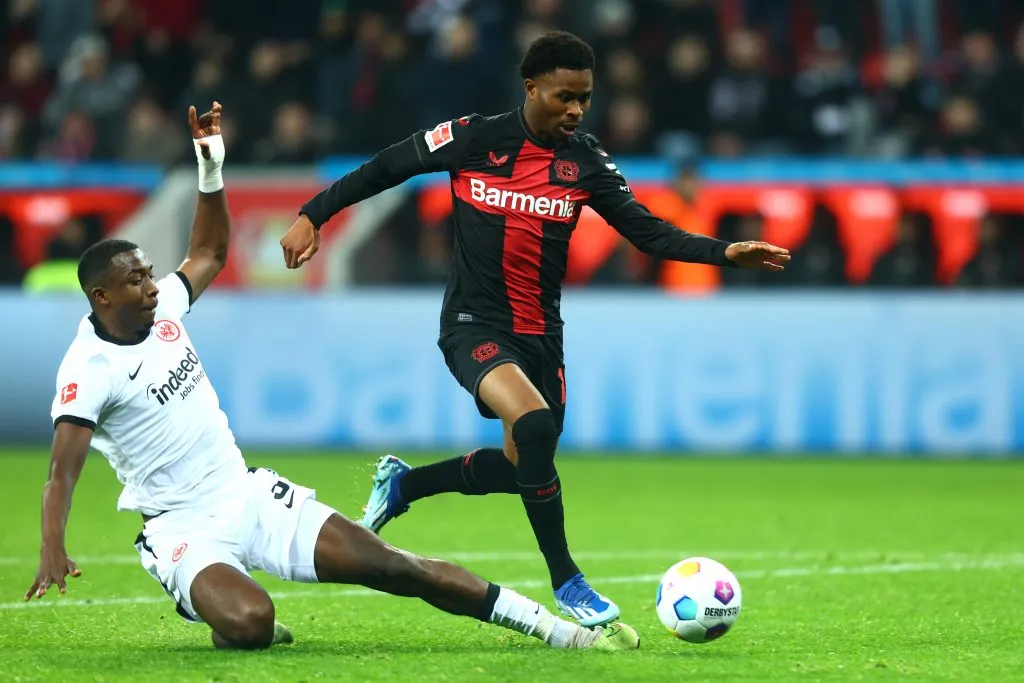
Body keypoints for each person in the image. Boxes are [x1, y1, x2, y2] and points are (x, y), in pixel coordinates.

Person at [25, 101, 639, 654]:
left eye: (150, 273)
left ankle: (560, 631)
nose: (152, 286)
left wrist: (211, 167)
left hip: (245, 496)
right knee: (251, 624)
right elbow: (62, 471)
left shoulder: (164, 309)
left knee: (397, 567)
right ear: (102, 296)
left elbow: (209, 253)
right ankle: (200, 596)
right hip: (178, 525)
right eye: (136, 281)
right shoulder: (88, 369)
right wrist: (53, 545)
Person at [279, 31, 790, 627]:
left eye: (586, 99)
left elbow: (649, 232)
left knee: (524, 464)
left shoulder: (586, 161)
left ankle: (405, 485)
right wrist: (314, 213)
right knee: (536, 422)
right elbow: (388, 166)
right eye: (565, 96)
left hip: (542, 335)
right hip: (473, 325)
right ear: (531, 87)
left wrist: (726, 252)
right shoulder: (475, 138)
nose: (576, 109)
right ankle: (567, 581)